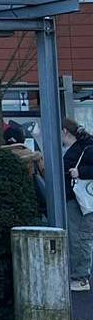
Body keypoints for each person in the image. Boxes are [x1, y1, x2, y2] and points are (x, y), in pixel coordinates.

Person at [62, 120, 93, 292]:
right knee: (81, 236)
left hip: (80, 201)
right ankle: (80, 275)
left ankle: (81, 278)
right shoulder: (85, 146)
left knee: (80, 237)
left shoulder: (85, 149)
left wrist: (80, 172)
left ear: (65, 131)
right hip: (79, 199)